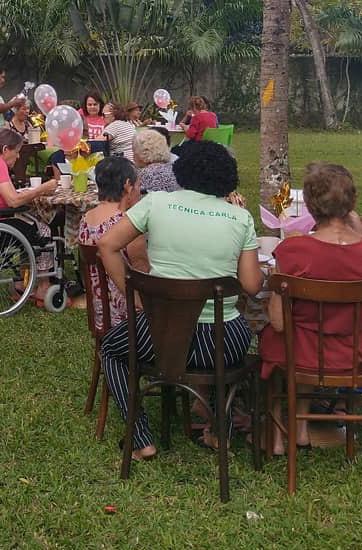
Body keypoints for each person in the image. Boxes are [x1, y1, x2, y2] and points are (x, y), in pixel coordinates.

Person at [97, 141, 262, 459]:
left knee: (112, 350)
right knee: (225, 351)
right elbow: (253, 286)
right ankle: (220, 432)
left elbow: (106, 245)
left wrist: (135, 298)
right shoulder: (239, 219)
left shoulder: (156, 203)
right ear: (227, 178)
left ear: (182, 171)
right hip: (222, 342)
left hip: (161, 335)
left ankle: (141, 438)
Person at [258, 163, 362, 455]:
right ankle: (301, 430)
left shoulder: (293, 251)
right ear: (351, 203)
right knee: (302, 337)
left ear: (311, 207)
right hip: (353, 353)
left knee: (284, 336)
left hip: (301, 352)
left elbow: (278, 323)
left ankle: (277, 434)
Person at [0, 128, 59, 296]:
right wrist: (41, 190)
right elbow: (13, 201)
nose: (18, 157)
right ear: (5, 150)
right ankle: (44, 285)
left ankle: (22, 280)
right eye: (16, 152)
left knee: (29, 226)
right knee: (43, 230)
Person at [78, 157, 147, 331]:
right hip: (129, 318)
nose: (140, 191)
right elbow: (143, 273)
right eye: (138, 185)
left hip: (101, 315)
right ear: (127, 186)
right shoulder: (127, 226)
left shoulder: (86, 219)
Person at [132, 129, 179, 193]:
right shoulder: (172, 168)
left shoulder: (145, 174)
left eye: (134, 151)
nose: (133, 155)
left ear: (143, 152)